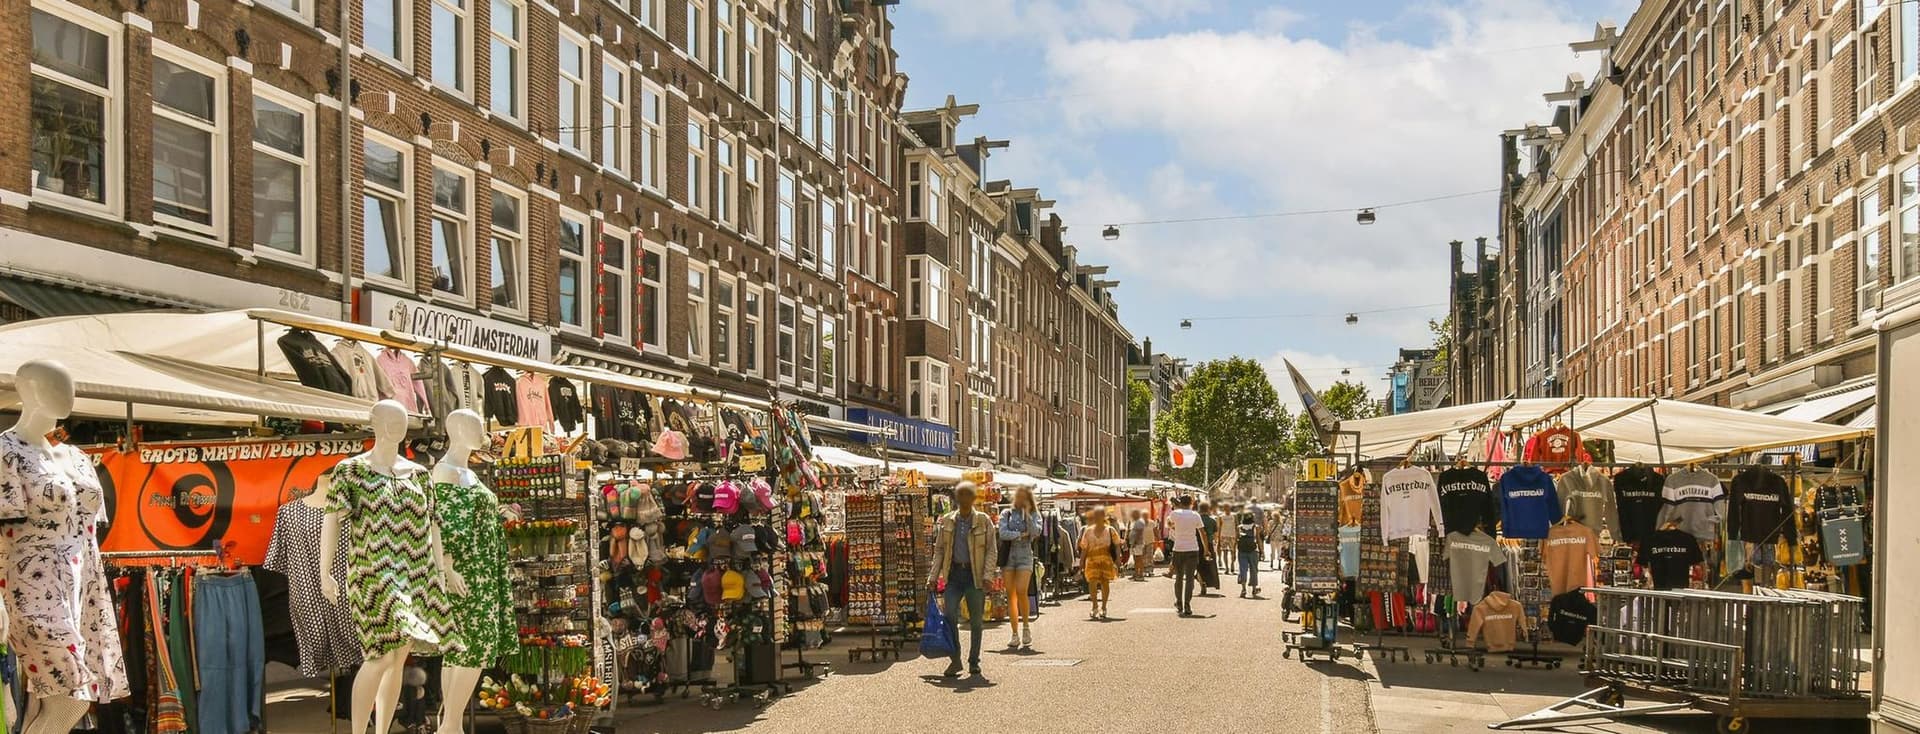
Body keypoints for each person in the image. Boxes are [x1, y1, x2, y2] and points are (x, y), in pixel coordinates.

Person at [930, 482, 995, 678]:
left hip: (974, 576)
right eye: (961, 496)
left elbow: (992, 549)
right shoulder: (948, 521)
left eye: (967, 496)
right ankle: (955, 659)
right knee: (950, 618)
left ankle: (974, 661)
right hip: (954, 575)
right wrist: (933, 576)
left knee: (976, 621)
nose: (964, 500)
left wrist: (988, 576)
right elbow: (940, 550)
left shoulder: (984, 521)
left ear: (973, 499)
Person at [997, 486, 1040, 650]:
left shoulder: (1034, 514)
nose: (1020, 500)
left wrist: (1028, 515)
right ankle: (1014, 633)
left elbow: (1036, 532)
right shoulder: (1006, 513)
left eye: (1024, 497)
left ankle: (1026, 628)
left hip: (1024, 556)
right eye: (1018, 497)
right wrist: (1020, 534)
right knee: (1011, 594)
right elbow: (1002, 533)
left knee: (1022, 590)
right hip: (1008, 557)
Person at [1165, 496, 1206, 616]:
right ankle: (1187, 604)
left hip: (1178, 548)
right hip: (1192, 548)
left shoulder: (1174, 514)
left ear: (1180, 503)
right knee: (1189, 578)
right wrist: (1207, 549)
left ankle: (1179, 602)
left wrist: (1176, 528)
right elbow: (1202, 533)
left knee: (1178, 577)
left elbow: (1169, 525)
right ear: (1191, 503)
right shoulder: (1195, 515)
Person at [1078, 506, 1120, 619]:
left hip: (1106, 560)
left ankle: (1104, 607)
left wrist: (1118, 559)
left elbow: (1117, 545)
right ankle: (1095, 606)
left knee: (1105, 583)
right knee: (1092, 582)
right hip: (1091, 560)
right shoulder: (1088, 531)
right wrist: (1081, 561)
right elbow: (1084, 548)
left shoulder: (1110, 530)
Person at [1234, 507, 1263, 598]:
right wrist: (1262, 551)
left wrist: (1233, 551)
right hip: (1253, 551)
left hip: (1242, 551)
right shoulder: (1256, 527)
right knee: (1254, 569)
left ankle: (1243, 589)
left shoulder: (1239, 527)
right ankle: (1254, 589)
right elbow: (1258, 539)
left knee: (1243, 569)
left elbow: (1236, 539)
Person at [1128, 509, 1158, 580]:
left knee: (1148, 556)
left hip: (1146, 542)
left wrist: (1157, 538)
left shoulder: (1151, 522)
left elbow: (1154, 530)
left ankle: (1147, 571)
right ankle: (1141, 572)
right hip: (1141, 542)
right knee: (1141, 558)